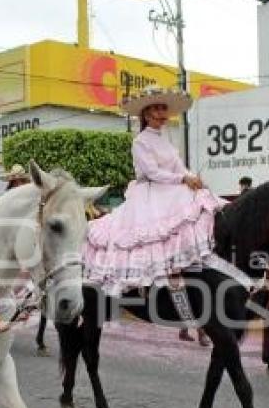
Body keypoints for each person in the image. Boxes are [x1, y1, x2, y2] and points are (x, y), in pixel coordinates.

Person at [83, 86, 225, 345]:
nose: (162, 113)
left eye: (163, 108)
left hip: (172, 190)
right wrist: (182, 178)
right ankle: (142, 292)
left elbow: (179, 167)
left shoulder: (167, 139)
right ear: (146, 115)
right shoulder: (140, 141)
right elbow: (151, 172)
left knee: (199, 219)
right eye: (156, 109)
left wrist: (191, 177)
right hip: (151, 195)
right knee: (150, 243)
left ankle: (195, 308)